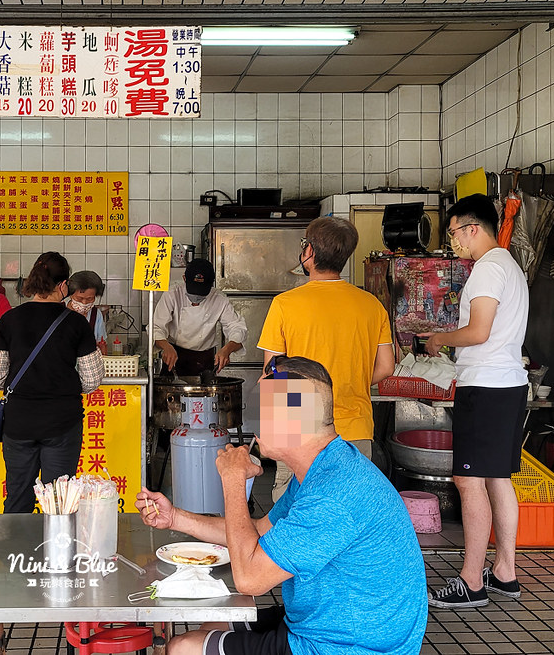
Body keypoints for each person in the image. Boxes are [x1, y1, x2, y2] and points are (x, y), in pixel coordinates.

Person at [137, 356, 427, 655]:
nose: (257, 420)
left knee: (183, 647)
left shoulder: (332, 496)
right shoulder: (324, 467)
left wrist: (233, 480)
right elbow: (260, 531)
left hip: (350, 646)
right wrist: (175, 518)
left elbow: (250, 579)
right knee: (213, 624)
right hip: (321, 623)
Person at [424, 193, 529, 609]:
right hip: (506, 385)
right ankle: (504, 572)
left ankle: (471, 581)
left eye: (454, 233)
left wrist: (439, 339)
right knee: (498, 479)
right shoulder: (509, 266)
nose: (454, 243)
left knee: (469, 482)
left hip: (485, 387)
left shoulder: (487, 270)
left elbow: (479, 331)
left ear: (472, 228)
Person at [258, 216, 396, 500]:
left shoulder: (285, 305)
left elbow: (274, 374)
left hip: (298, 428)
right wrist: (349, 380)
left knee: (296, 512)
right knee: (349, 513)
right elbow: (386, 367)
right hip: (355, 429)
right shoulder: (372, 306)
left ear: (309, 252)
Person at [0, 252, 105, 513]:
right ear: (63, 286)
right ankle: (57, 553)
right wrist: (63, 387)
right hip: (62, 423)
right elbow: (92, 380)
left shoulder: (10, 319)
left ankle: (15, 553)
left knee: (18, 496)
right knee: (60, 501)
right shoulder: (76, 323)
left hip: (18, 423)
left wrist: (24, 385)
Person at [152, 259, 247, 375]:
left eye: (201, 293)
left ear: (211, 284)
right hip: (173, 359)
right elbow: (156, 327)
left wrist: (227, 349)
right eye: (193, 291)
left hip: (204, 362)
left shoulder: (220, 299)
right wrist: (166, 346)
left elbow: (237, 327)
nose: (196, 299)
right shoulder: (172, 294)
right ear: (184, 279)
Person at [67, 270, 108, 354]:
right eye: (79, 298)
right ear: (70, 295)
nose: (84, 303)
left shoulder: (96, 315)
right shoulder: (60, 312)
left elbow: (102, 345)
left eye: (90, 299)